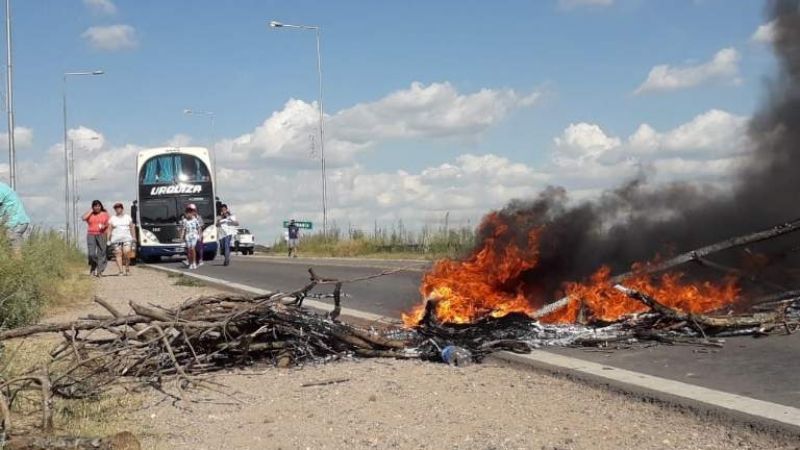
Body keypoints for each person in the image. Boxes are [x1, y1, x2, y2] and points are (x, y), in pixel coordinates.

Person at [0, 181, 31, 254]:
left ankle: (18, 265)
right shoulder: (2, 186)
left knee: (15, 251)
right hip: (15, 222)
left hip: (14, 223)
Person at [107, 202, 135, 276]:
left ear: (122, 209)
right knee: (118, 254)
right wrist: (108, 239)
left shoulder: (127, 217)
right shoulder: (112, 218)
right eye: (116, 208)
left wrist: (134, 237)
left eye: (119, 208)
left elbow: (132, 227)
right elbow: (109, 229)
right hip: (116, 239)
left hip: (127, 238)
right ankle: (120, 271)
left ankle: (127, 268)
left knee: (127, 252)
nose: (118, 209)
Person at [82, 200, 109, 277]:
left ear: (101, 206)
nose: (97, 207)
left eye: (99, 206)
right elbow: (83, 218)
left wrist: (105, 226)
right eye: (95, 206)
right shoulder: (90, 214)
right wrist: (91, 210)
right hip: (91, 234)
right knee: (91, 254)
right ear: (93, 207)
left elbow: (109, 223)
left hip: (102, 234)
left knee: (101, 252)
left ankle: (99, 271)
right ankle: (94, 266)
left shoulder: (105, 214)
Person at [181, 205, 202, 270]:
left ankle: (194, 263)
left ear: (192, 213)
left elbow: (199, 228)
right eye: (187, 213)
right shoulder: (184, 221)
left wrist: (200, 236)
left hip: (194, 236)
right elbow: (183, 229)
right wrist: (181, 236)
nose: (188, 214)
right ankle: (190, 263)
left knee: (193, 249)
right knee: (189, 250)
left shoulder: (195, 219)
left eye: (190, 213)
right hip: (188, 236)